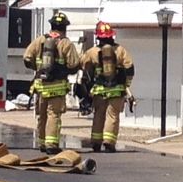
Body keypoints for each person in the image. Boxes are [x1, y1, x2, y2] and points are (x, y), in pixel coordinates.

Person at [22, 11, 81, 154]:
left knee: (42, 115)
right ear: (64, 27)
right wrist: (63, 71)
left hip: (41, 86)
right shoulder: (65, 43)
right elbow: (74, 64)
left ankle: (42, 143)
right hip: (58, 88)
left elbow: (27, 58)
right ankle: (51, 144)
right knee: (53, 115)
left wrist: (38, 69)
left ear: (51, 25)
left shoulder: (40, 40)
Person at [78, 21, 135, 152]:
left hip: (99, 90)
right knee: (112, 116)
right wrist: (126, 85)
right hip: (116, 91)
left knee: (99, 115)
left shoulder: (92, 52)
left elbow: (83, 66)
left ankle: (96, 142)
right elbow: (130, 69)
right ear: (111, 36)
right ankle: (109, 142)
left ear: (98, 37)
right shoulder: (120, 50)